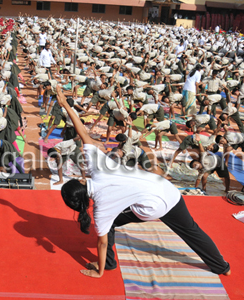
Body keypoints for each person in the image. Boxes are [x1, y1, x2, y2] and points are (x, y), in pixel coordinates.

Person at [56, 84, 230, 278]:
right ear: (80, 181)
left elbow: (102, 242)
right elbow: (84, 133)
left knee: (109, 224)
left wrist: (100, 271)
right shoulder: (97, 167)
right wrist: (65, 104)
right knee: (192, 231)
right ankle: (222, 267)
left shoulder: (100, 210)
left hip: (152, 206)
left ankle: (110, 264)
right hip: (168, 190)